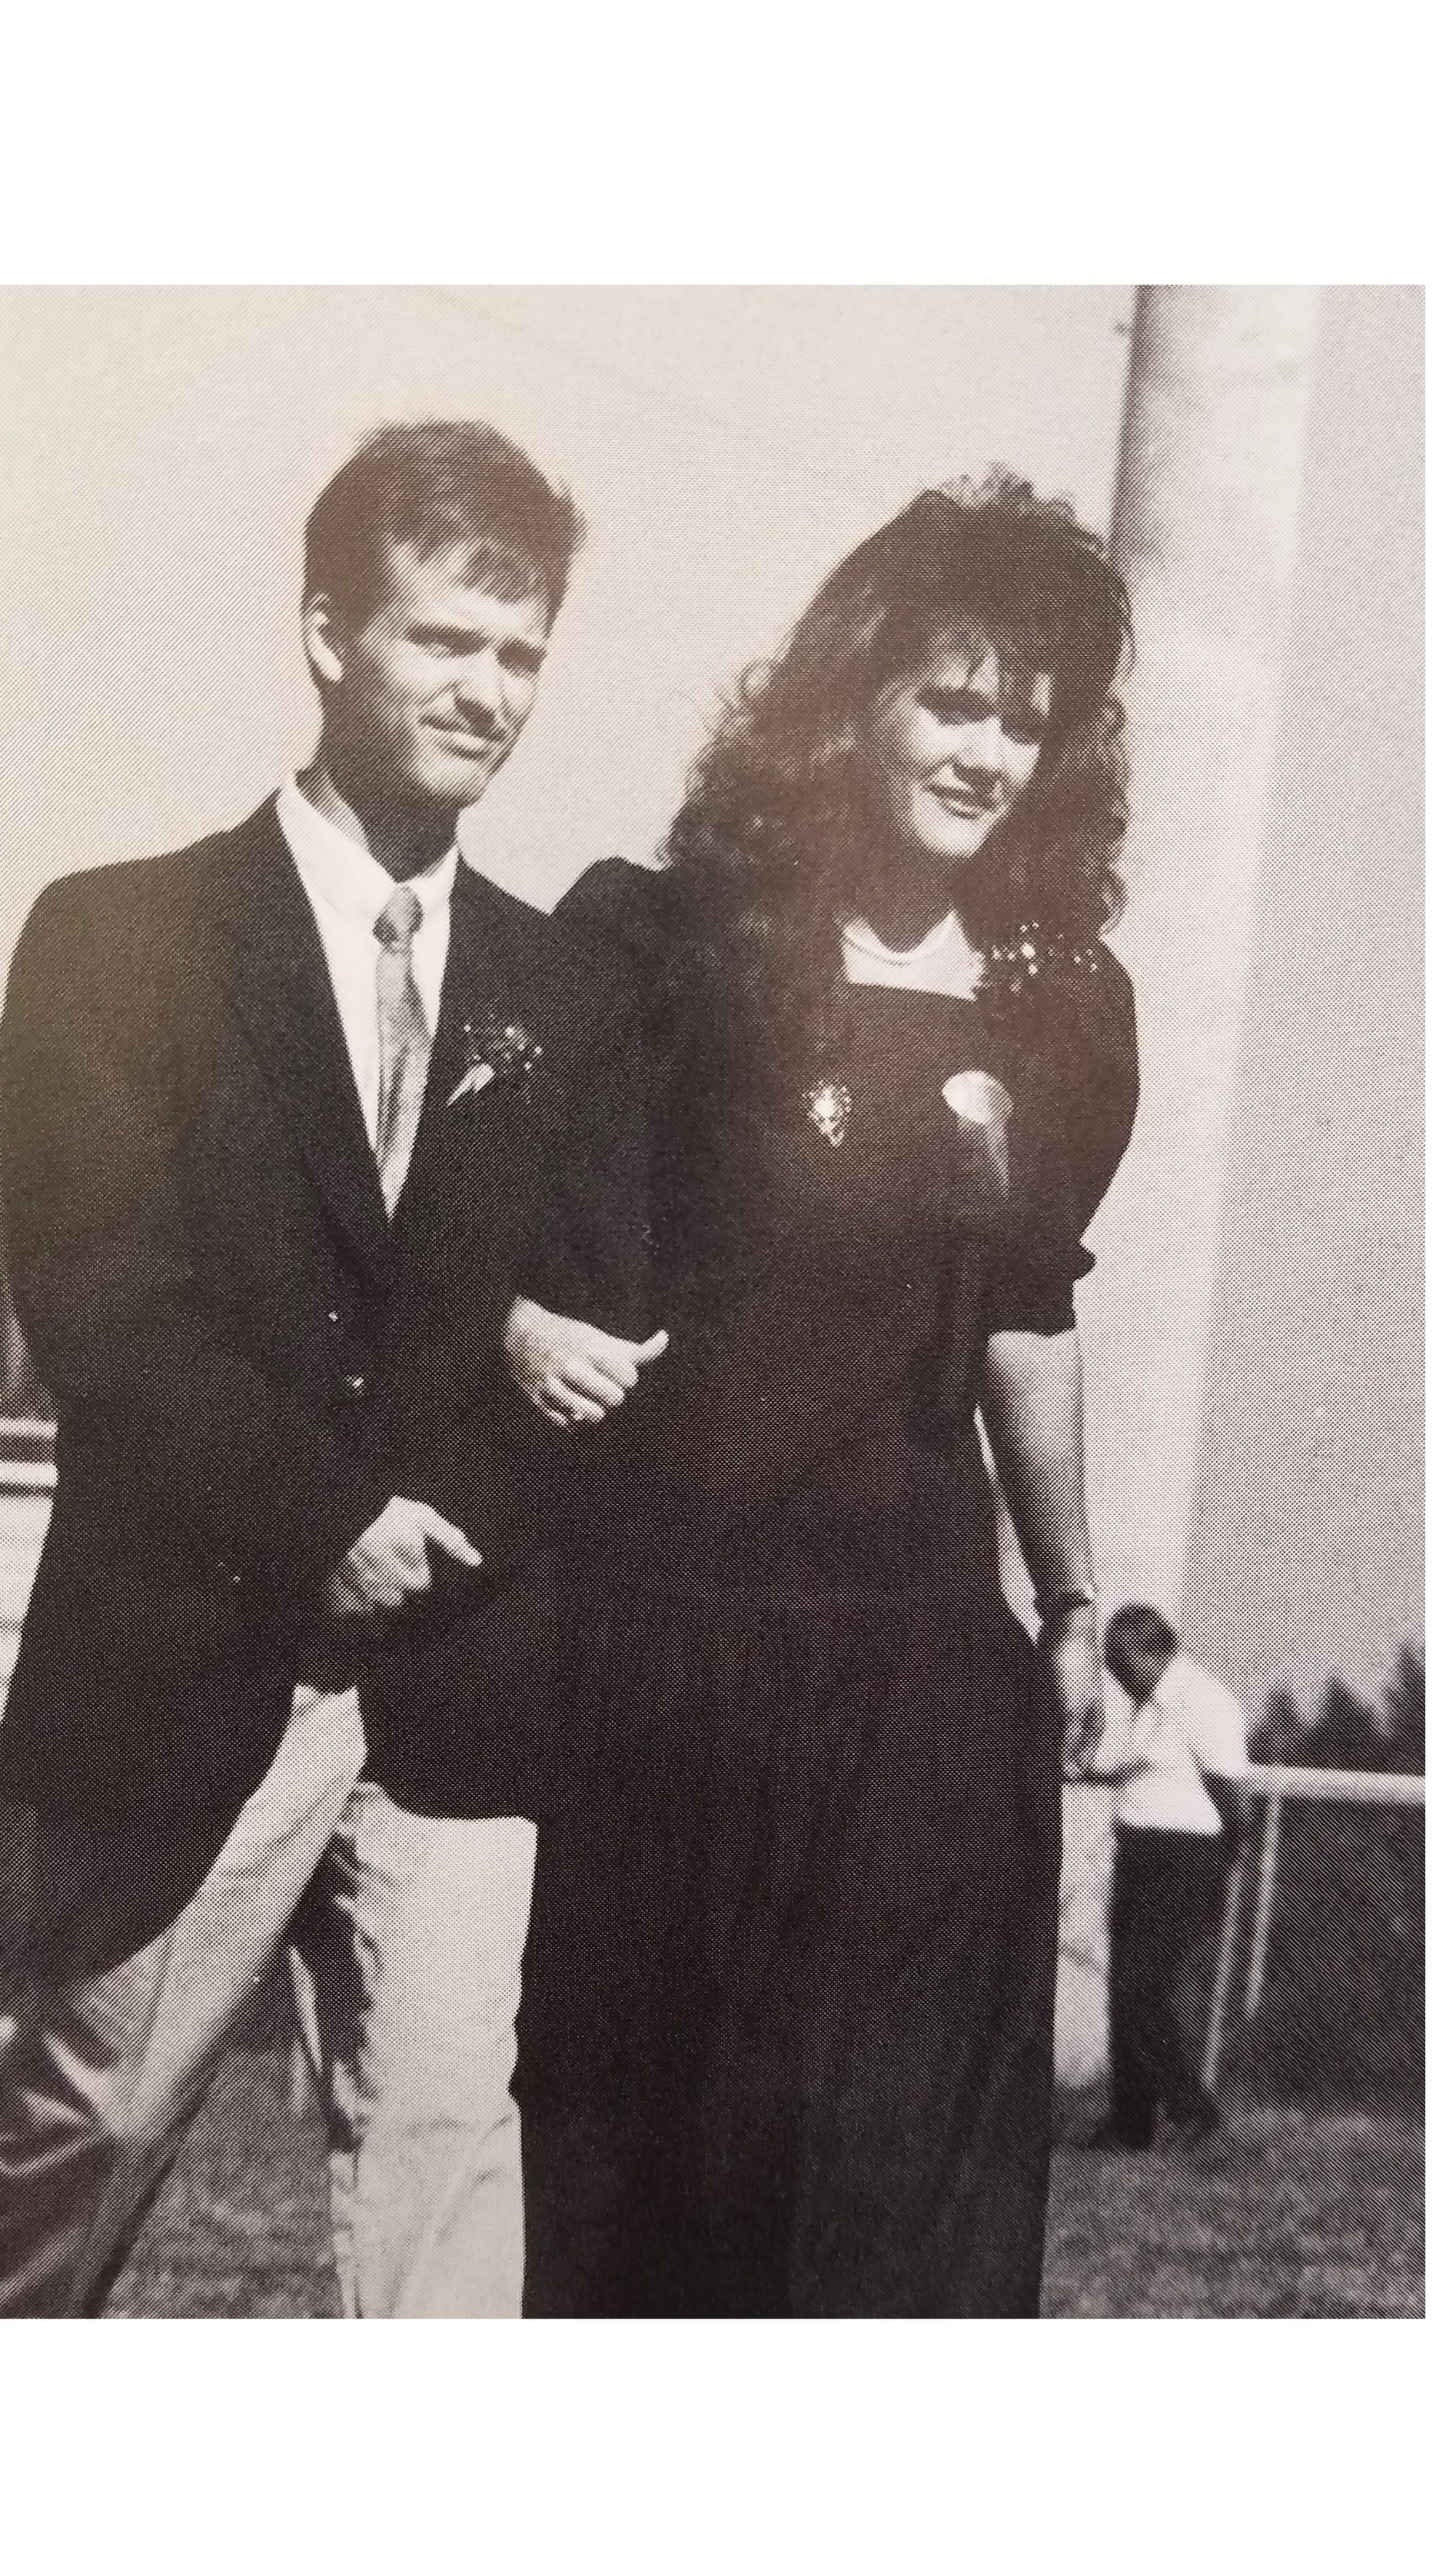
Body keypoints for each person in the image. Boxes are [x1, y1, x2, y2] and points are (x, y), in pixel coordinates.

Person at [0, 419, 657, 2318]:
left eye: (520, 655)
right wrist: (326, 1518)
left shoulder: (562, 991)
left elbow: (590, 1321)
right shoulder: (121, 938)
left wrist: (461, 1498)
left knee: (439, 2166)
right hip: (199, 1647)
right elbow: (107, 1300)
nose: (487, 692)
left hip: (463, 1676)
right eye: (443, 641)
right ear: (330, 632)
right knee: (85, 2132)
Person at [511, 468, 1140, 2317]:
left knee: (879, 2234)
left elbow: (1027, 1310)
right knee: (640, 2221)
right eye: (950, 699)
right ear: (854, 694)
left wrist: (1076, 1599)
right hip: (664, 1659)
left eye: (1024, 721)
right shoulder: (657, 940)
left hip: (913, 1680)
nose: (982, 752)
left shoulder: (1063, 1009)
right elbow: (515, 1231)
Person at [1084, 1603, 1252, 2152]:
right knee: (1123, 1990)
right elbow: (1145, 1768)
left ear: (1152, 1650)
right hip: (1140, 1855)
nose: (1114, 1673)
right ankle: (1130, 2121)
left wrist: (1216, 1867)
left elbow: (1232, 1794)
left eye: (1121, 1661)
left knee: (1140, 1986)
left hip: (1185, 1859)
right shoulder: (1148, 1708)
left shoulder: (1201, 1699)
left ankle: (1194, 2109)